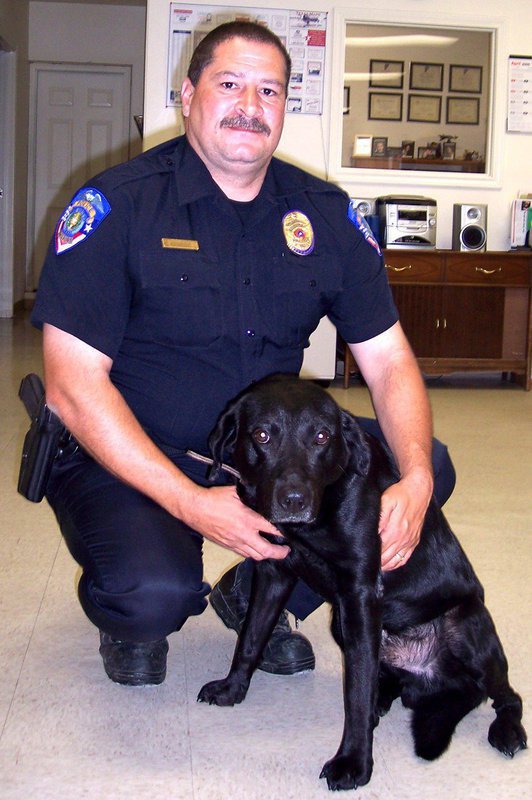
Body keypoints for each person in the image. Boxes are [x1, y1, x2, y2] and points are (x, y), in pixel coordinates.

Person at [31, 21, 455, 686]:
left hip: (265, 450)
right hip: (136, 451)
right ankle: (132, 612)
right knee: (150, 595)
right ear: (188, 93)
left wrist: (418, 480)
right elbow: (71, 386)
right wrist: (190, 503)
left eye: (270, 90)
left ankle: (257, 593)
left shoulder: (324, 215)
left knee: (423, 467)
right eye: (229, 84)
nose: (250, 107)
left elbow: (390, 360)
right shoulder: (119, 206)